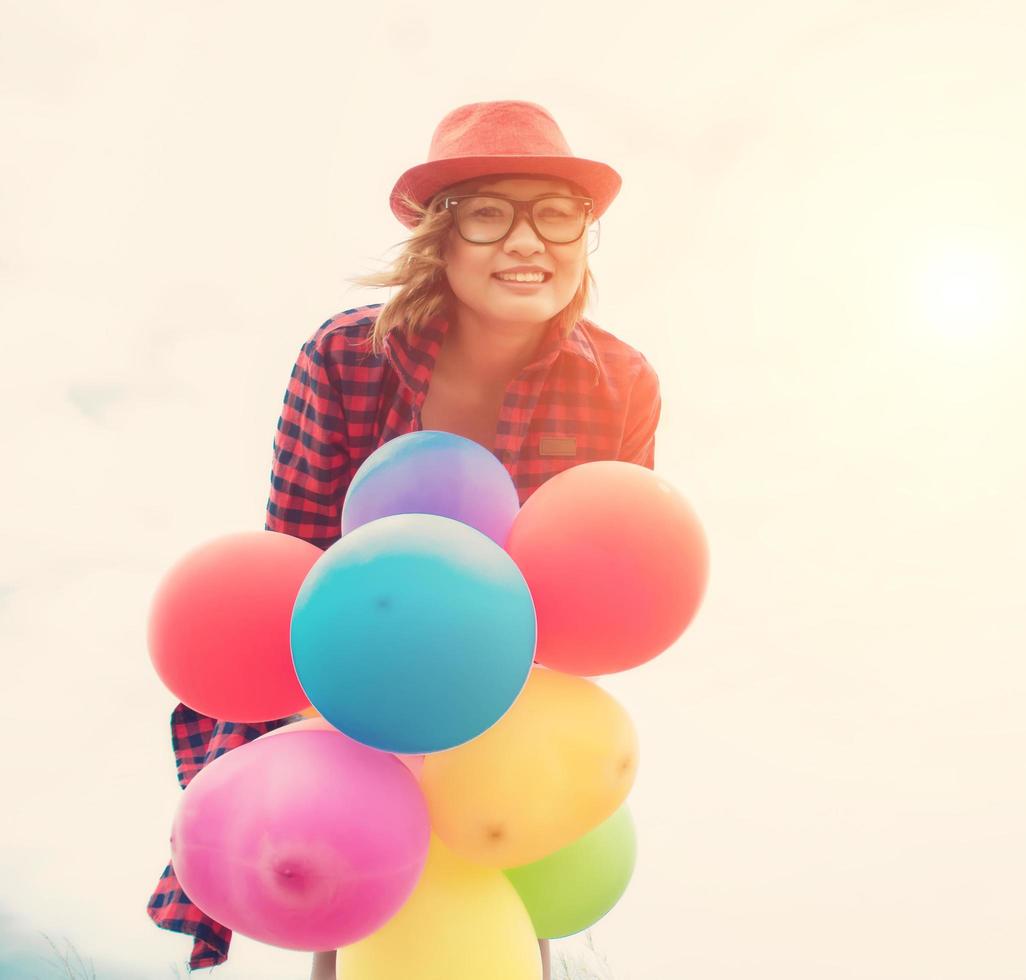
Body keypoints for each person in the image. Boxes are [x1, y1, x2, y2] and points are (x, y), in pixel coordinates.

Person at [146, 100, 660, 980]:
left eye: (557, 212)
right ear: (440, 237)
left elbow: (616, 583)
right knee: (358, 909)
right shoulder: (343, 360)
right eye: (490, 213)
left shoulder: (620, 382)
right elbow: (300, 566)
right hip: (356, 689)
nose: (527, 241)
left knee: (498, 930)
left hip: (506, 708)